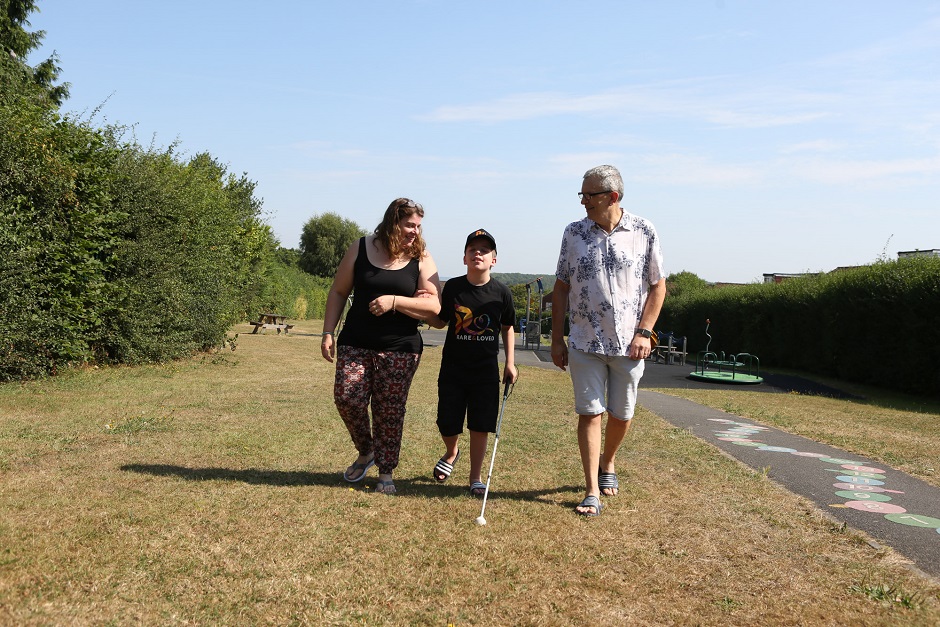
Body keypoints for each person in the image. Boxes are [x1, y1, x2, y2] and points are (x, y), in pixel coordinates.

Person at [551, 165, 666, 517]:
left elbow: (658, 285)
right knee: (590, 414)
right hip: (585, 342)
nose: (584, 201)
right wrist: (557, 338)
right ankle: (590, 491)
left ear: (612, 197)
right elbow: (561, 287)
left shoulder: (643, 230)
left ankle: (608, 462)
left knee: (622, 414)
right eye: (582, 195)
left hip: (630, 346)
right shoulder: (573, 233)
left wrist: (644, 332)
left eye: (590, 195)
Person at [321, 198, 441, 495]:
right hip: (355, 342)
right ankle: (367, 451)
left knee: (389, 410)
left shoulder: (421, 256)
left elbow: (435, 305)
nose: (415, 231)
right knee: (347, 398)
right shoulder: (361, 247)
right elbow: (338, 291)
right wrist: (327, 332)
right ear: (392, 222)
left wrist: (395, 301)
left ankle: (386, 472)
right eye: (409, 224)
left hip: (400, 347)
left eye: (418, 226)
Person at [423, 229, 518, 496]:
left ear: (493, 260)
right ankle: (452, 452)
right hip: (453, 368)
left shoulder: (502, 292)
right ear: (464, 258)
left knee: (480, 424)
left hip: (485, 371)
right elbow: (440, 321)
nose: (478, 253)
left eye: (484, 250)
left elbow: (508, 327)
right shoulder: (452, 287)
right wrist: (419, 309)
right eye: (472, 249)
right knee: (447, 422)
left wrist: (510, 363)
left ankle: (475, 478)